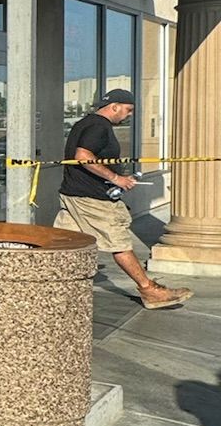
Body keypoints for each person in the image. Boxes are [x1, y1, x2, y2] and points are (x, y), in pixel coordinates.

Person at [54, 89, 190, 308]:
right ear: (114, 106)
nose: (129, 115)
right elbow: (83, 156)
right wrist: (116, 178)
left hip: (75, 194)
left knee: (66, 243)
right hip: (93, 200)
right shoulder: (99, 126)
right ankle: (148, 290)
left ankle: (52, 288)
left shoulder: (84, 123)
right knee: (120, 243)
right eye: (128, 110)